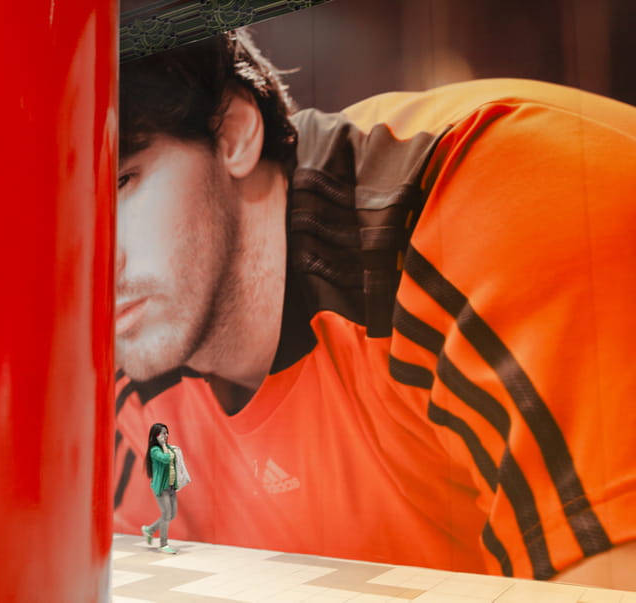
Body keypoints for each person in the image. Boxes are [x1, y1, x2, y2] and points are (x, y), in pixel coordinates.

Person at [113, 29, 636, 588]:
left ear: (235, 134)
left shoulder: (480, 195)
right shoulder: (127, 353)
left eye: (121, 182)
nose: (89, 258)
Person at [141, 423, 179, 554]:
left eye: (167, 432)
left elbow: (174, 457)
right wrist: (163, 445)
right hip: (162, 488)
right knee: (166, 515)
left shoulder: (168, 447)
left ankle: (150, 530)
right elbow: (166, 458)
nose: (166, 435)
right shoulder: (155, 451)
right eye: (163, 433)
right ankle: (163, 544)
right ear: (156, 436)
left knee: (172, 514)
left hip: (171, 486)